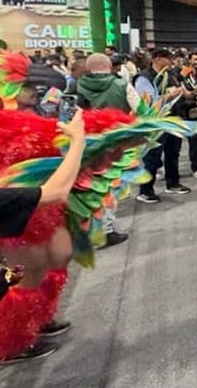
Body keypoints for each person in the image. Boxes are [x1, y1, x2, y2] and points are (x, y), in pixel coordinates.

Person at [0, 111, 85, 358]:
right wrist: (78, 141)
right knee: (23, 275)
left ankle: (36, 322)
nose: (30, 89)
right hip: (17, 201)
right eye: (23, 84)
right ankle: (10, 344)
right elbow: (54, 191)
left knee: (53, 262)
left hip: (34, 200)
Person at [75, 53, 139, 248]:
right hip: (115, 143)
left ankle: (88, 230)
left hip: (86, 143)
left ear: (87, 67)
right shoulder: (121, 85)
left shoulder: (76, 86)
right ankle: (106, 231)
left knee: (87, 187)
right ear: (110, 66)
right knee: (109, 187)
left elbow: (70, 113)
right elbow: (140, 108)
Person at [134, 49, 190, 203]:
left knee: (173, 153)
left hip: (173, 119)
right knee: (152, 156)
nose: (171, 62)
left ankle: (172, 183)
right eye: (168, 59)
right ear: (158, 59)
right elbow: (147, 102)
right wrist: (170, 95)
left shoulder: (170, 74)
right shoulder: (144, 78)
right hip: (155, 122)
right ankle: (145, 190)